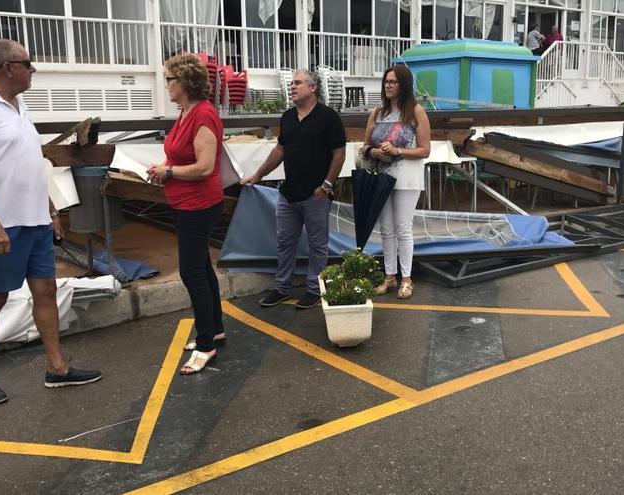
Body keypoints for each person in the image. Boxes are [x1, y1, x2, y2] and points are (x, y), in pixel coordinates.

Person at [0, 39, 101, 405]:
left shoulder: (20, 106)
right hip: (0, 225)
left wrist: (49, 212)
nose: (33, 70)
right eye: (28, 64)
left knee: (45, 292)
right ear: (7, 68)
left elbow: (29, 163)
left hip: (34, 223)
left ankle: (57, 369)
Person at [240, 69, 347, 310]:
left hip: (316, 194)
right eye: (292, 83)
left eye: (298, 83)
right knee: (285, 242)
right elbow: (280, 150)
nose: (292, 87)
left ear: (312, 88)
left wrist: (327, 185)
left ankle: (313, 289)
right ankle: (281, 288)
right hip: (288, 194)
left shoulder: (328, 117)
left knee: (318, 245)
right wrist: (258, 175)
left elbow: (339, 153)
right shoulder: (288, 117)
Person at [147, 53, 226, 375]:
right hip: (183, 202)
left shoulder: (203, 115)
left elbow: (205, 167)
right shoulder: (185, 113)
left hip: (199, 204)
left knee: (192, 272)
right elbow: (181, 157)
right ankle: (215, 328)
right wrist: (165, 169)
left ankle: (206, 345)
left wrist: (168, 172)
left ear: (185, 82)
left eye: (169, 79)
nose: (166, 85)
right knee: (202, 269)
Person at [360, 65, 431, 300]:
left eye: (393, 82)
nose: (387, 85)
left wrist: (397, 150)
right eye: (386, 81)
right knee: (386, 230)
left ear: (404, 85)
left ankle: (407, 279)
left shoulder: (416, 112)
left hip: (406, 180)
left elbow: (425, 150)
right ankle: (389, 276)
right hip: (381, 178)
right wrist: (374, 152)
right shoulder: (377, 113)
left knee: (403, 228)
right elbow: (365, 146)